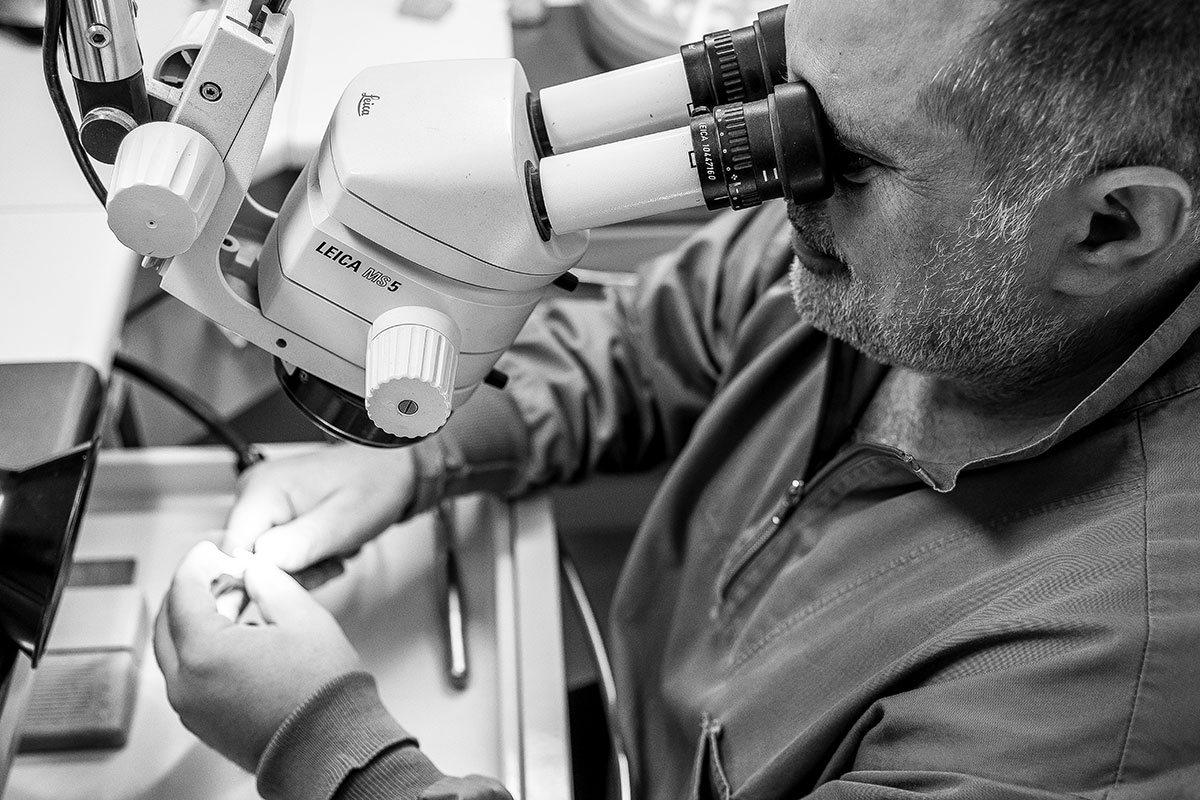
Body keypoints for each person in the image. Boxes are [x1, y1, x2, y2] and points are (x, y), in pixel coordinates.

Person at [153, 0, 1200, 797]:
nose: (783, 182)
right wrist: (421, 455)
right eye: (785, 90)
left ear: (1110, 229)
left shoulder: (1097, 689)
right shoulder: (926, 264)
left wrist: (324, 741)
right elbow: (651, 342)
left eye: (841, 157)